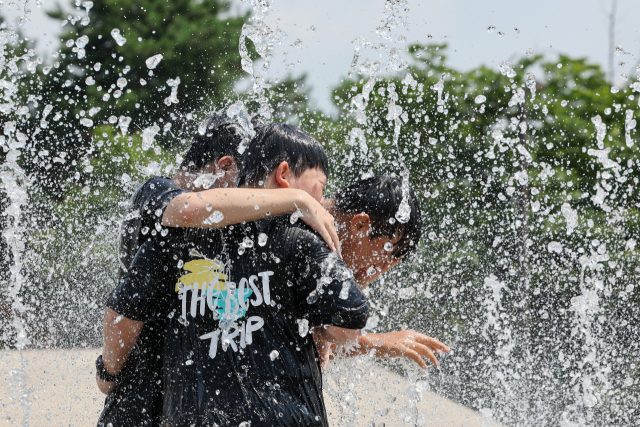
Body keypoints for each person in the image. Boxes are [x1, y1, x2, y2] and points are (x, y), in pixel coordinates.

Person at [111, 123, 368, 427]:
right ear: (226, 167)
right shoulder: (161, 194)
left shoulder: (230, 239)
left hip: (178, 381)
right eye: (243, 175)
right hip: (144, 379)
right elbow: (187, 210)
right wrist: (298, 199)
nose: (247, 191)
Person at [315, 175, 450, 369]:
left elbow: (321, 347)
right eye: (387, 251)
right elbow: (289, 338)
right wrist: (379, 342)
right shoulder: (301, 236)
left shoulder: (321, 246)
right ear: (360, 225)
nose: (382, 267)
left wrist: (354, 287)